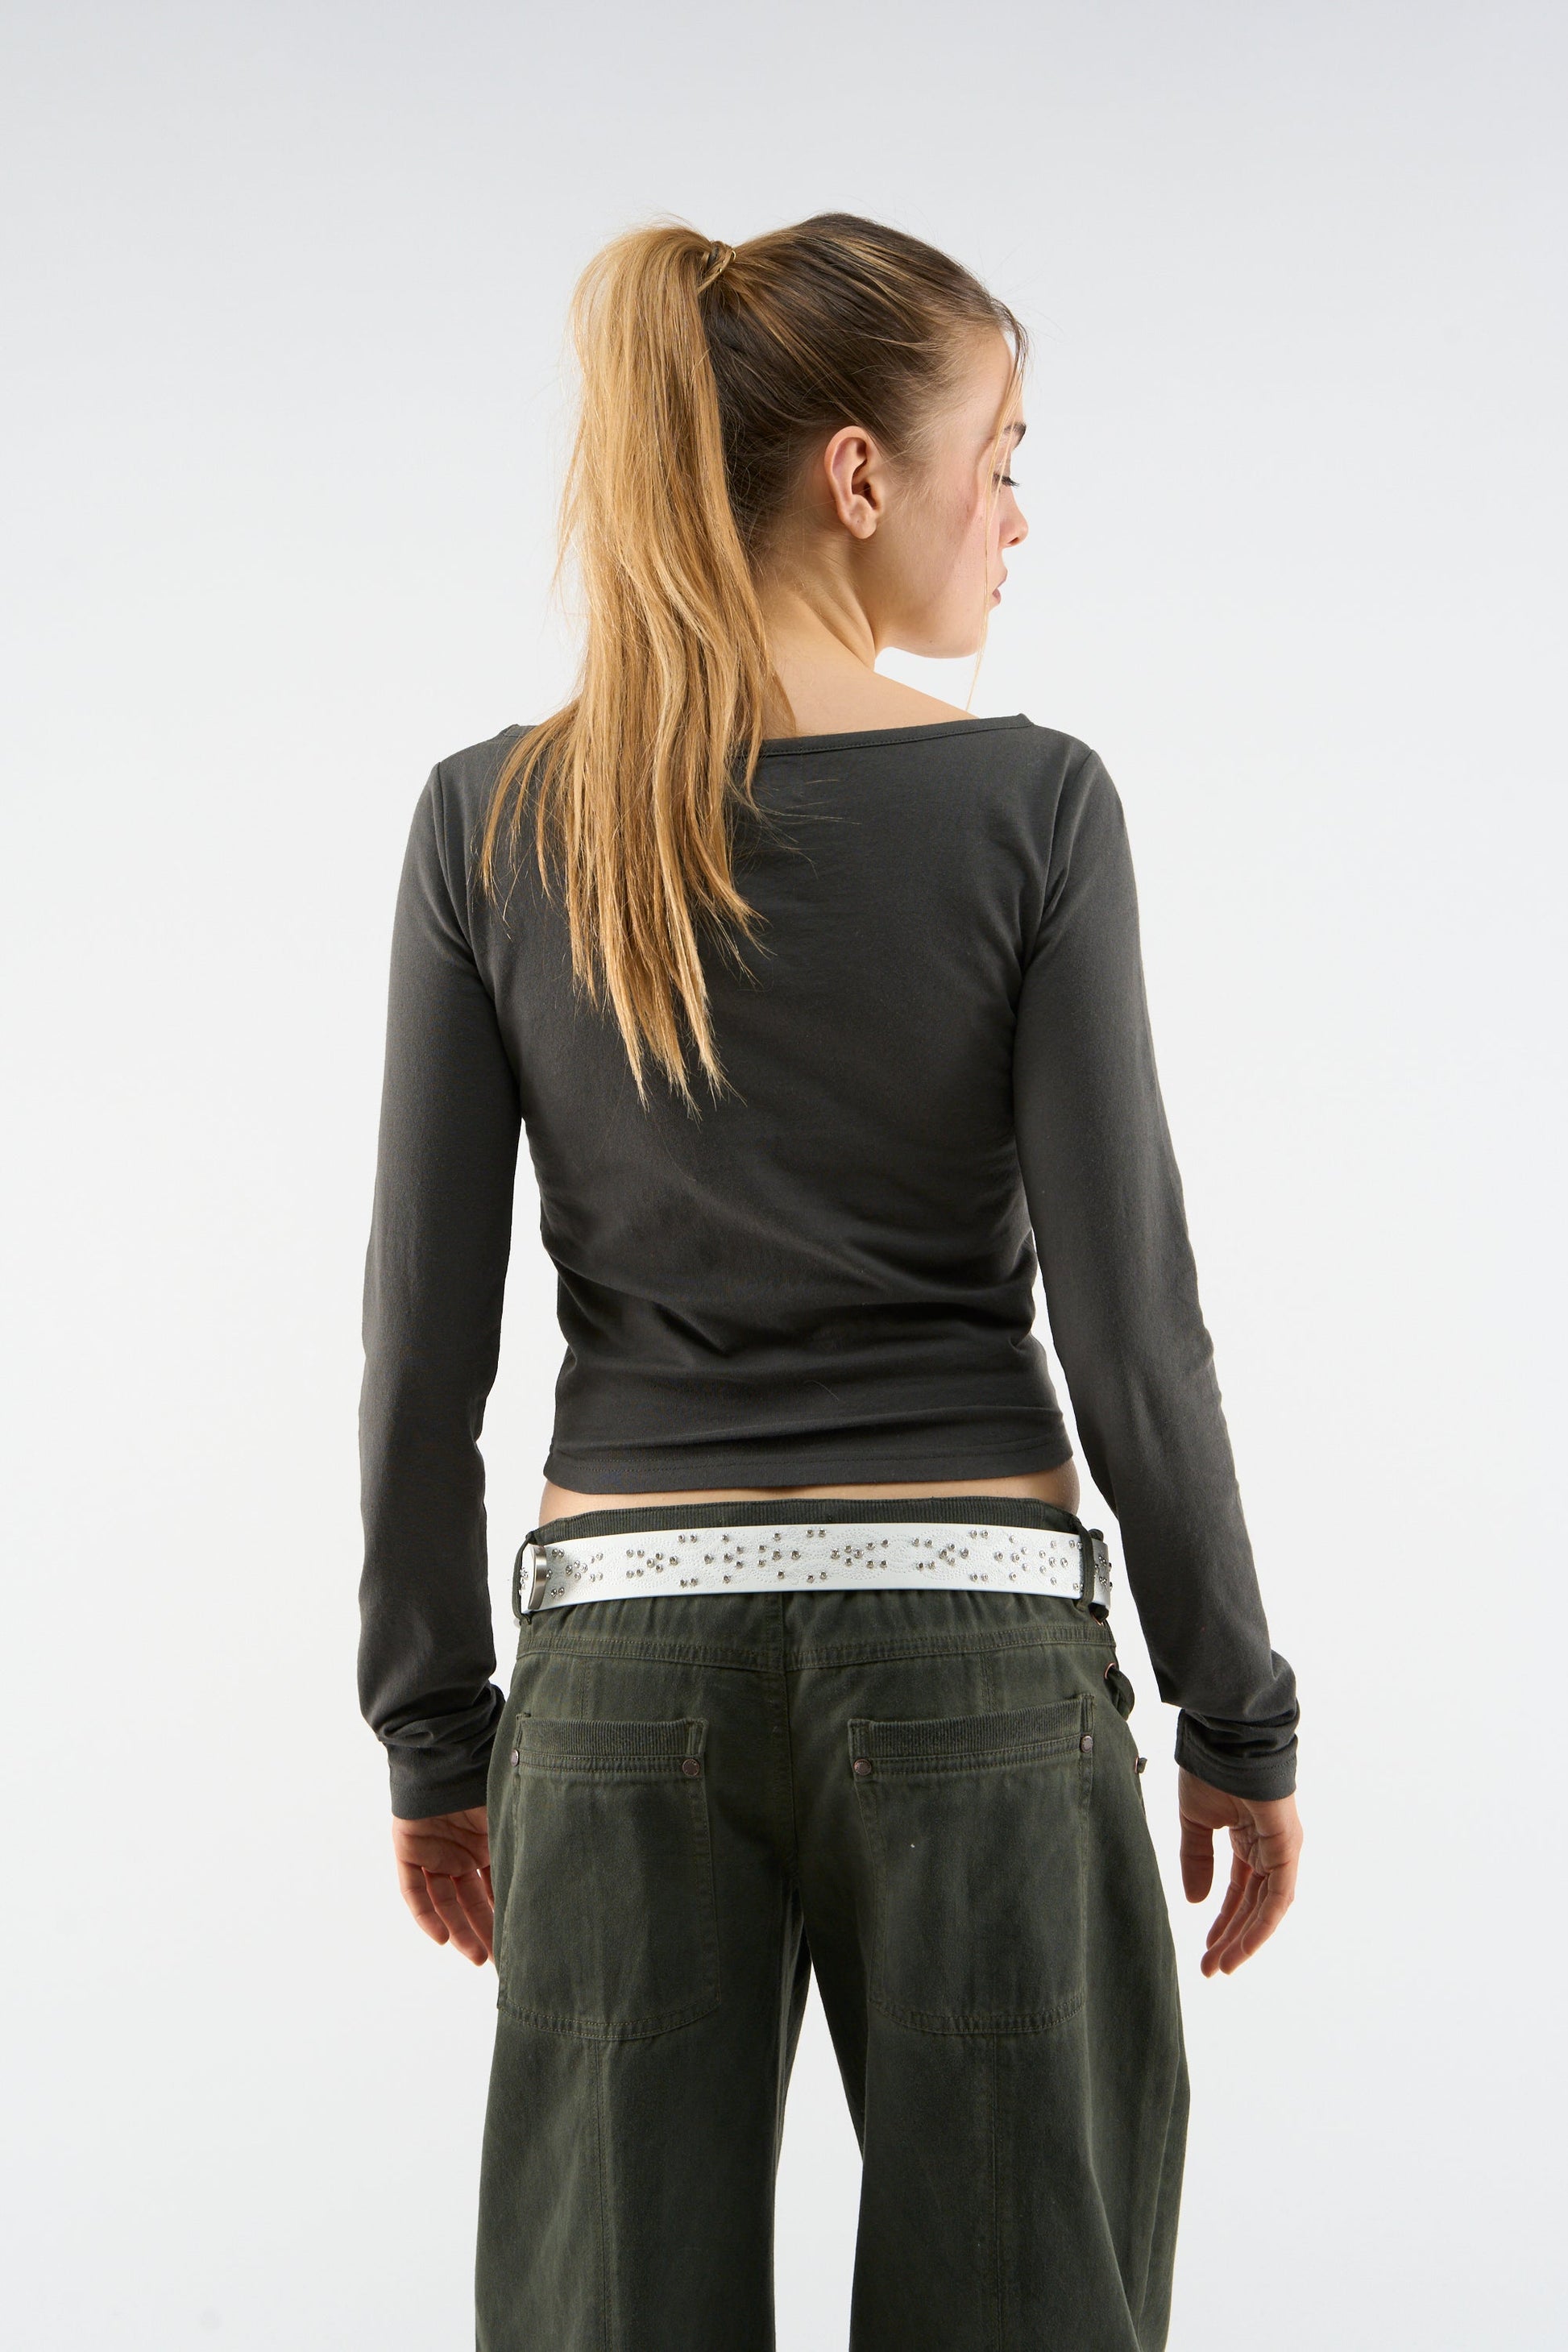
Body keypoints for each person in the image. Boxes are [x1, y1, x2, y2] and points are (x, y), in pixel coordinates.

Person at [357, 211, 1302, 2352]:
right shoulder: (1031, 808)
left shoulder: (491, 821)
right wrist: (1234, 1708)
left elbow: (421, 1346)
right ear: (862, 474)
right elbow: (1133, 1332)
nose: (1017, 519)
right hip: (975, 1663)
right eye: (1004, 460)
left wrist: (433, 1730)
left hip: (620, 1675)